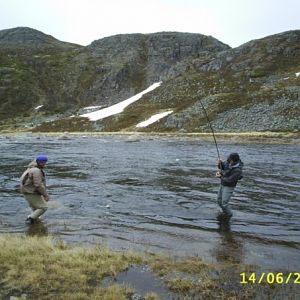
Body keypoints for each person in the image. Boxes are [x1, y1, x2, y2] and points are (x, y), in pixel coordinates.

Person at [20, 155, 49, 224]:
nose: (44, 164)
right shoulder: (36, 171)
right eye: (42, 162)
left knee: (35, 208)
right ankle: (30, 219)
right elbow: (38, 185)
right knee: (43, 207)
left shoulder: (30, 168)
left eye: (44, 162)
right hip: (31, 192)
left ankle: (35, 223)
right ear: (37, 162)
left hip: (27, 191)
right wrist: (45, 195)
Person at [215, 153, 243, 218]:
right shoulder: (228, 162)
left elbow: (229, 180)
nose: (228, 160)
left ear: (233, 161)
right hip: (222, 184)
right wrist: (220, 163)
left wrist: (220, 177)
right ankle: (225, 213)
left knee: (224, 203)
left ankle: (229, 215)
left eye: (230, 160)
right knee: (219, 201)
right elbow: (222, 167)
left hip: (229, 187)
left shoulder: (238, 170)